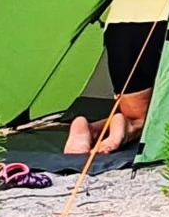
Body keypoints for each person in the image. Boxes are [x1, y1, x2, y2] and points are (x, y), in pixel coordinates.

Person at [64, 20, 163, 156]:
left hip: (118, 28)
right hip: (167, 25)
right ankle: (128, 127)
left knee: (135, 116)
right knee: (150, 120)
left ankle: (93, 129)